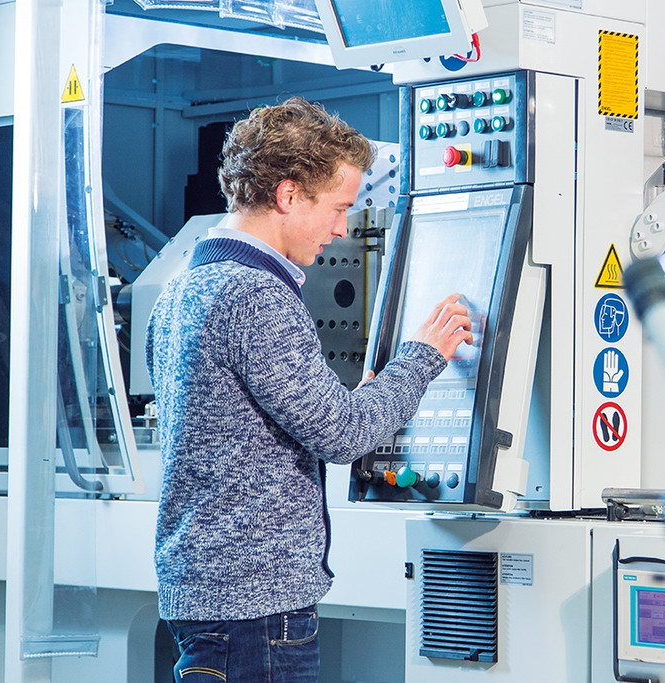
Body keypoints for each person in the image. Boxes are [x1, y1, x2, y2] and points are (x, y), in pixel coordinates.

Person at [146, 97, 473, 682]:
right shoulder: (256, 294)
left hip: (207, 595)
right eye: (339, 207)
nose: (342, 228)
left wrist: (365, 398)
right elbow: (341, 434)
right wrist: (423, 358)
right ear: (289, 195)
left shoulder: (180, 290)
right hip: (256, 608)